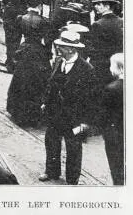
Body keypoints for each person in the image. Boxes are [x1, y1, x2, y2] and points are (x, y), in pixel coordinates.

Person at [39, 31, 95, 185]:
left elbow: (90, 99)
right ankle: (51, 171)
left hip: (74, 116)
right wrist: (45, 101)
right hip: (55, 112)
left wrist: (85, 121)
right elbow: (51, 84)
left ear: (71, 49)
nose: (58, 48)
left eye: (62, 47)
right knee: (51, 142)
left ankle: (72, 179)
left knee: (73, 148)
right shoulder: (59, 61)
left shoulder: (87, 69)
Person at [100, 53, 123, 185]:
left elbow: (104, 115)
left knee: (116, 168)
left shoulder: (111, 89)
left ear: (118, 68)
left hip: (114, 135)